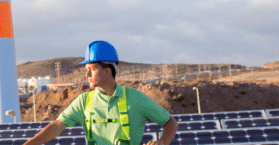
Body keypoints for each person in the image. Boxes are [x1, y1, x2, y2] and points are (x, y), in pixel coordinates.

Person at [22, 41, 176, 145]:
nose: (86, 75)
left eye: (92, 69)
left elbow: (170, 123)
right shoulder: (84, 101)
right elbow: (57, 126)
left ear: (107, 70)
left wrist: (162, 143)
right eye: (86, 70)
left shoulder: (135, 98)